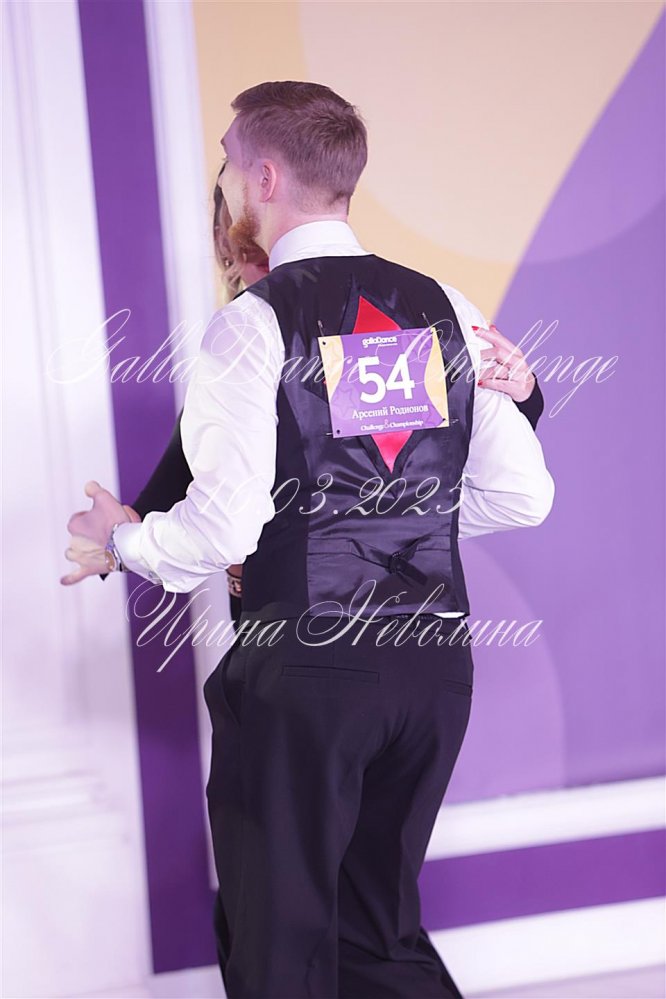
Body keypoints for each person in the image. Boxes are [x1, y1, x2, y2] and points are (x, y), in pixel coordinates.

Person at [62, 81, 554, 998]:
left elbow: (226, 524)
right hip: (433, 670)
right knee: (377, 938)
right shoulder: (444, 304)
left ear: (265, 176)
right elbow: (524, 495)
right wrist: (389, 517)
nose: (222, 178)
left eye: (226, 161)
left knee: (279, 953)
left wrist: (121, 544)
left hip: (308, 674)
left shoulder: (254, 324)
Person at [97, 163, 544, 631]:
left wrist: (525, 394)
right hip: (283, 626)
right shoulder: (240, 361)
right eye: (247, 255)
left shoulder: (378, 333)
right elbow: (164, 509)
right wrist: (113, 542)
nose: (269, 267)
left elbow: (437, 456)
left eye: (268, 251)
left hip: (338, 626)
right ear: (228, 254)